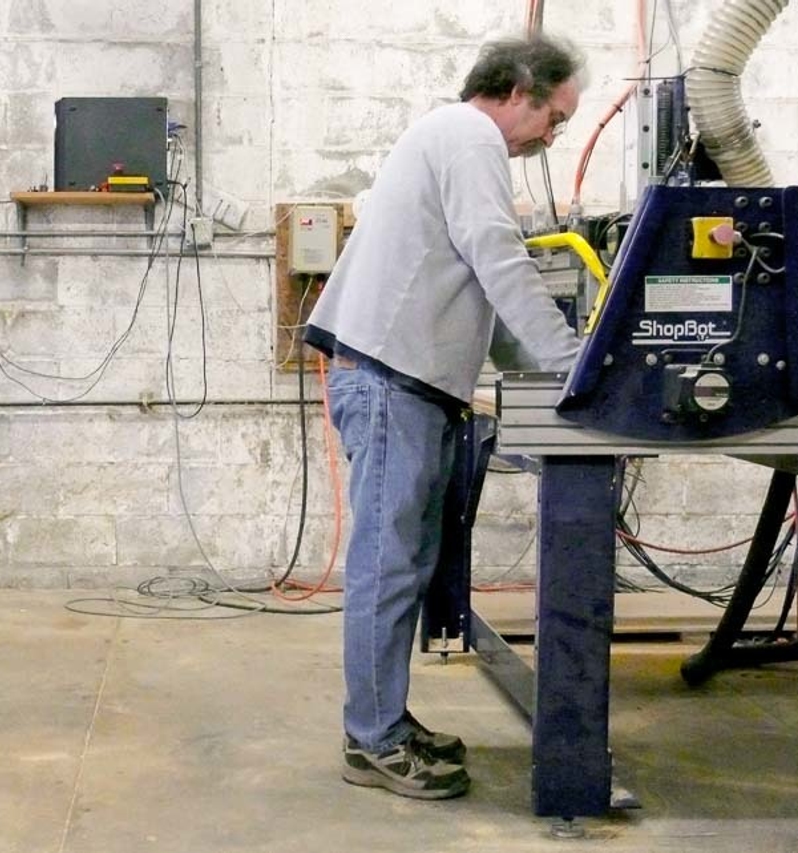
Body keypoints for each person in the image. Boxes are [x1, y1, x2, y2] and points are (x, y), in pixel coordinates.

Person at [303, 35, 586, 801]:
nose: (552, 137)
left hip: (405, 385)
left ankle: (383, 720)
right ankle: (372, 740)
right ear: (521, 91)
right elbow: (497, 257)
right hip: (391, 383)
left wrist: (542, 370)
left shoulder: (449, 139)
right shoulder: (469, 137)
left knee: (404, 564)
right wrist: (575, 364)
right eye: (554, 118)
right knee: (388, 566)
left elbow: (481, 284)